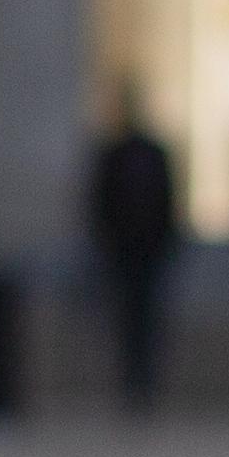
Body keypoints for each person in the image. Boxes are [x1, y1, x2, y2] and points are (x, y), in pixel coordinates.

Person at [83, 89, 183, 415]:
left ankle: (140, 384)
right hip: (134, 253)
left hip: (138, 253)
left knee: (139, 322)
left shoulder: (125, 155)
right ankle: (137, 385)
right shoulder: (132, 155)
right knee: (136, 322)